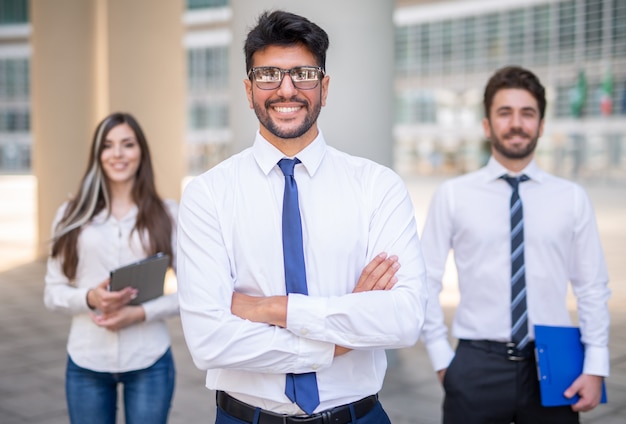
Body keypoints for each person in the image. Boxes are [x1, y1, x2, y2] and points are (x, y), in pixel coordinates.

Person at [176, 10, 428, 424]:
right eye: (268, 75)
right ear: (249, 89)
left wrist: (274, 309)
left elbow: (403, 319)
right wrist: (338, 340)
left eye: (304, 74)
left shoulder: (377, 187)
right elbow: (209, 341)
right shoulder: (208, 195)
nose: (286, 89)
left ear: (324, 87)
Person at [419, 66, 610, 424]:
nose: (516, 123)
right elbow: (425, 280)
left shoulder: (571, 198)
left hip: (555, 362)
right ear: (487, 125)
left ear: (540, 124)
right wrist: (441, 357)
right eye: (504, 113)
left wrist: (596, 364)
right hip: (476, 363)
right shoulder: (453, 196)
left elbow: (592, 287)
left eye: (528, 113)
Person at [44, 112, 179, 424]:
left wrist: (140, 313)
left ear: (141, 152)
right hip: (86, 360)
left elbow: (192, 294)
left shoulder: (169, 214)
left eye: (127, 144)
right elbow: (52, 293)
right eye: (108, 145)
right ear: (97, 154)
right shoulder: (70, 214)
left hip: (150, 359)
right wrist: (90, 298)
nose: (117, 154)